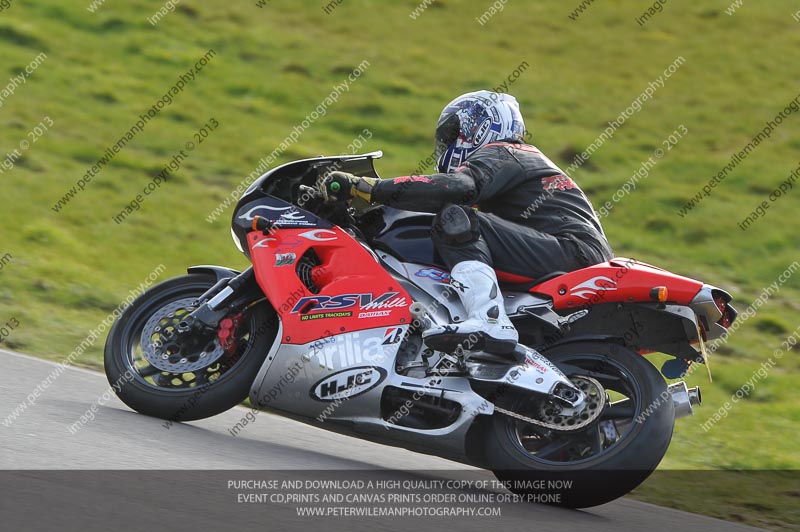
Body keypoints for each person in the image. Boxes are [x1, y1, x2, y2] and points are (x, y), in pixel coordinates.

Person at [320, 90, 614, 355]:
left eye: (453, 133)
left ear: (482, 125)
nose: (447, 143)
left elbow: (459, 187)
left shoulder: (505, 151)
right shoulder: (519, 161)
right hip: (570, 252)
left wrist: (369, 188)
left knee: (455, 219)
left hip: (572, 251)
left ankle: (489, 320)